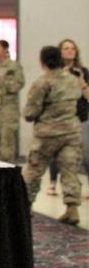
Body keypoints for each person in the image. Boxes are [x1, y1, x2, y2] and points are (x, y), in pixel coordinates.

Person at [21, 46, 83, 225]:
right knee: (70, 170)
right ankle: (72, 209)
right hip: (71, 132)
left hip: (47, 135)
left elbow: (30, 113)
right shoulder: (72, 80)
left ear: (42, 62)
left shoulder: (42, 83)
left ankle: (26, 206)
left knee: (34, 170)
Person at [47, 39, 89, 197]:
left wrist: (82, 82)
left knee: (86, 153)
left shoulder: (83, 71)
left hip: (80, 117)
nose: (70, 51)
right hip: (60, 119)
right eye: (66, 48)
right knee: (56, 152)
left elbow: (88, 97)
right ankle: (52, 183)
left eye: (72, 48)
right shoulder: (55, 72)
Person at [0, 39, 25, 162]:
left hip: (8, 109)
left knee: (7, 141)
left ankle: (7, 165)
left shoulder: (13, 66)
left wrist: (3, 83)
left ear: (6, 49)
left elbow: (19, 83)